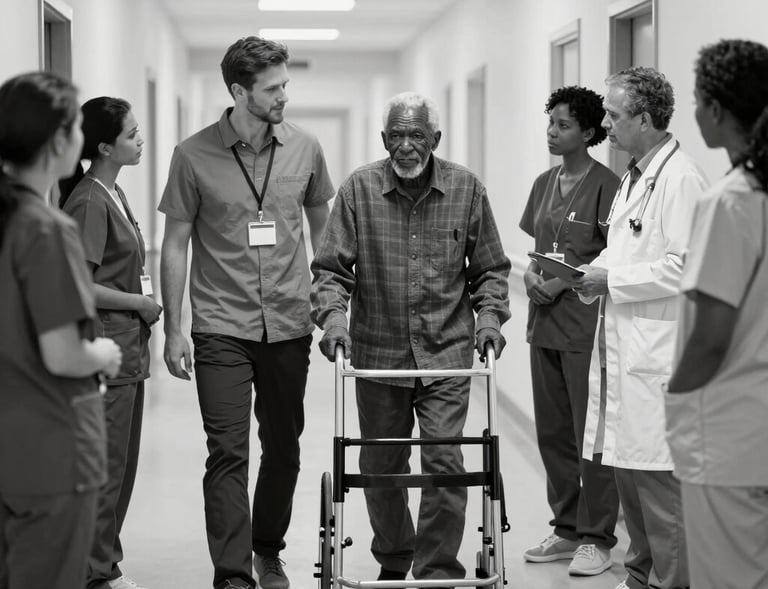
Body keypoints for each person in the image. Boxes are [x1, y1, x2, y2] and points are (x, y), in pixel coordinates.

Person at [311, 91, 510, 584]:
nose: (405, 145)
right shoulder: (358, 190)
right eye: (396, 135)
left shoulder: (467, 190)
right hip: (379, 355)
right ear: (383, 139)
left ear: (435, 139)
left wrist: (489, 320)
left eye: (416, 135)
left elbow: (490, 271)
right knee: (380, 467)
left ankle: (438, 569)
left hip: (447, 353)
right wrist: (334, 322)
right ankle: (397, 556)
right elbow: (331, 272)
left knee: (445, 461)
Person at [158, 36, 334, 589]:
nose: (285, 94)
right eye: (273, 87)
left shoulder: (306, 148)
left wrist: (331, 304)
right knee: (227, 452)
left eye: (285, 83)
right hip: (220, 325)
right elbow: (175, 243)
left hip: (288, 320)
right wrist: (173, 327)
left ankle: (267, 549)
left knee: (283, 446)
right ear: (239, 91)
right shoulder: (192, 155)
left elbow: (323, 229)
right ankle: (233, 573)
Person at [570, 67, 708, 589]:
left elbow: (687, 265)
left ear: (645, 118)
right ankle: (638, 575)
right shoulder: (636, 172)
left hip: (659, 353)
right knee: (628, 471)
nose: (604, 122)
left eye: (613, 114)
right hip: (627, 349)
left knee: (657, 481)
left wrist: (614, 279)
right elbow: (626, 247)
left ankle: (669, 581)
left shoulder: (681, 178)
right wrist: (589, 274)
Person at [0, 72, 122, 589]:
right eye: (76, 127)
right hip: (50, 447)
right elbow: (64, 353)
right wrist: (106, 354)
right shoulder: (46, 229)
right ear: (58, 140)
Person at [665, 39, 768, 589]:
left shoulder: (730, 200)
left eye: (699, 98)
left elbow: (710, 338)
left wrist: (674, 401)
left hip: (729, 435)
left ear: (718, 111)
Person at [59, 97, 162, 589]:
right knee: (105, 470)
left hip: (128, 354)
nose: (141, 140)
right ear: (104, 145)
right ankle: (94, 573)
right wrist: (140, 305)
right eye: (131, 135)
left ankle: (104, 565)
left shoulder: (112, 193)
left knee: (121, 468)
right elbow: (80, 285)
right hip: (108, 354)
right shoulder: (88, 201)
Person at [519, 86, 620, 576]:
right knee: (553, 434)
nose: (552, 132)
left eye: (563, 125)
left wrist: (560, 282)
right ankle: (565, 529)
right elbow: (538, 245)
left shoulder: (608, 185)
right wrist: (529, 277)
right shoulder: (543, 182)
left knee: (589, 436)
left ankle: (597, 537)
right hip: (544, 327)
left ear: (588, 131)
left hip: (585, 325)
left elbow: (611, 255)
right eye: (550, 123)